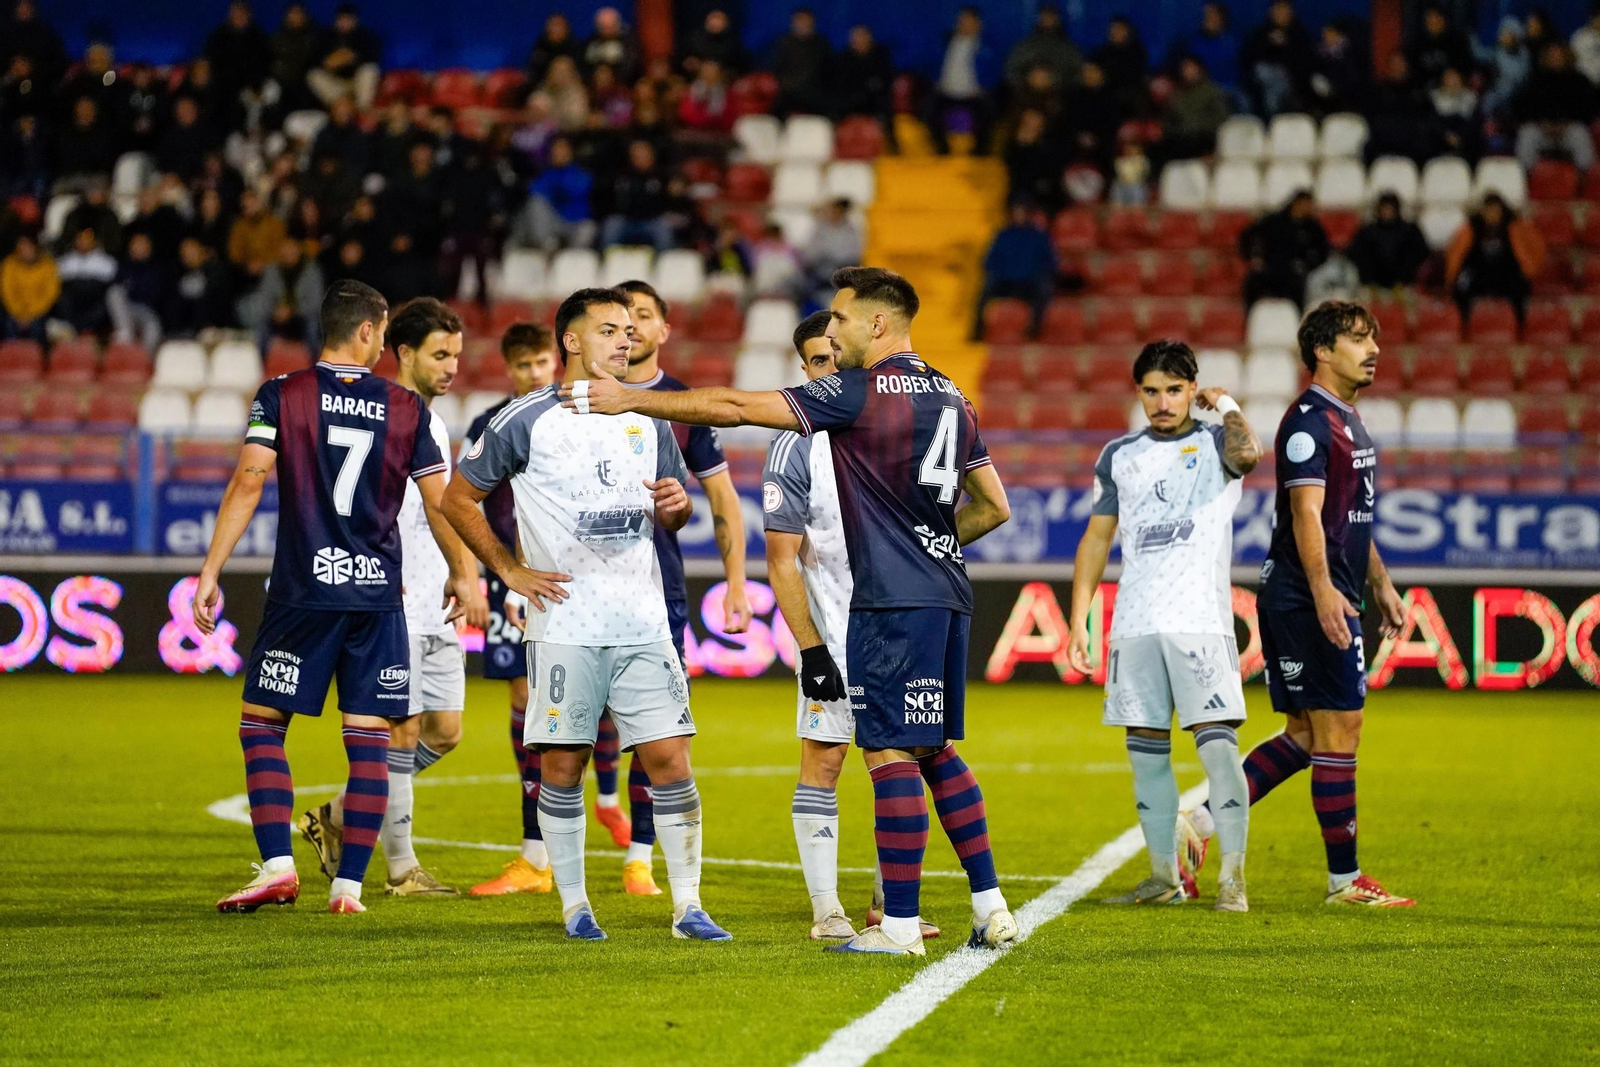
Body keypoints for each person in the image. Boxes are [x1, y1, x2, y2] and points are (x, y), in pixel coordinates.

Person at [561, 266, 1018, 956]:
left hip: (889, 599)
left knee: (891, 750)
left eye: (840, 318)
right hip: (948, 592)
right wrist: (929, 543)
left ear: (877, 324)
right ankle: (990, 905)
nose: (830, 330)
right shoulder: (952, 392)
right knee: (934, 747)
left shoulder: (858, 391)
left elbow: (737, 408)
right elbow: (995, 505)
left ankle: (896, 927)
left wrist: (632, 398)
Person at [443, 287, 731, 943]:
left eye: (629, 330)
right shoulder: (524, 419)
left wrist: (677, 507)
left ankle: (688, 905)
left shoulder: (647, 416)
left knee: (671, 759)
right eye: (608, 329)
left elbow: (672, 508)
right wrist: (507, 568)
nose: (624, 339)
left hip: (643, 622)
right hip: (564, 626)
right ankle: (576, 907)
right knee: (564, 766)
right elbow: (459, 498)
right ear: (570, 340)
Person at [203, 280, 480, 915]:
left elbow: (249, 480)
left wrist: (212, 568)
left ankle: (277, 865)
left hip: (304, 591)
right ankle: (349, 888)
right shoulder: (409, 412)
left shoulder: (282, 394)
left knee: (262, 724)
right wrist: (463, 573)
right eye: (383, 333)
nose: (384, 343)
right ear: (366, 331)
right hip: (378, 597)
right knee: (369, 739)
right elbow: (442, 504)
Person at [1217, 299, 1412, 907]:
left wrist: (1378, 580)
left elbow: (1350, 518)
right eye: (1358, 339)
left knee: (1304, 735)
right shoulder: (1309, 422)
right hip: (1308, 598)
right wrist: (1329, 592)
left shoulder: (1347, 419)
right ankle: (1344, 882)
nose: (1373, 349)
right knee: (1340, 731)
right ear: (1323, 351)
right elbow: (1305, 513)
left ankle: (1198, 825)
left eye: (1373, 338)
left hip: (1311, 595)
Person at [296, 298, 488, 898]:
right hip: (395, 597)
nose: (453, 366)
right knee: (400, 733)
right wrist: (467, 571)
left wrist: (458, 573)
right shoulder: (388, 413)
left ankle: (335, 814)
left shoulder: (426, 418)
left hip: (435, 599)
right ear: (401, 352)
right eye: (440, 354)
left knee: (446, 730)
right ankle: (402, 868)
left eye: (456, 354)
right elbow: (424, 508)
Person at [761, 311, 944, 943]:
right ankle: (825, 911)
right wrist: (811, 650)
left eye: (836, 357)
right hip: (835, 636)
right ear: (803, 371)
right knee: (826, 761)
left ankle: (890, 906)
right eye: (816, 361)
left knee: (903, 763)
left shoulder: (888, 428)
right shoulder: (794, 444)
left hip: (899, 630)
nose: (829, 370)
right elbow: (780, 559)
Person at [1068, 341, 1262, 911]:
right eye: (1151, 390)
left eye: (1174, 390)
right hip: (1135, 622)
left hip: (1199, 621)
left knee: (1220, 751)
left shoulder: (1215, 442)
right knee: (1145, 752)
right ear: (1139, 393)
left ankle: (1233, 877)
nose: (1162, 401)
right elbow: (1097, 538)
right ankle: (1162, 877)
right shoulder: (1119, 455)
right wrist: (1080, 618)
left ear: (1192, 389)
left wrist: (1225, 403)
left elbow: (1249, 457)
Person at [594, 278, 753, 894]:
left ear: (663, 330)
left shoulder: (684, 405)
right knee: (569, 727)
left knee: (654, 728)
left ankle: (638, 856)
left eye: (643, 317)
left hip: (654, 591)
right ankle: (544, 857)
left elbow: (721, 498)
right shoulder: (576, 399)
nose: (631, 328)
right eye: (620, 318)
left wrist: (736, 582)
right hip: (576, 589)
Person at [464, 324, 562, 897]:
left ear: (556, 360)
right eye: (522, 365)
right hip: (513, 582)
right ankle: (535, 852)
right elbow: (466, 499)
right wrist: (502, 573)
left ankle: (612, 835)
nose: (533, 373)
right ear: (509, 368)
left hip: (564, 578)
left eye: (540, 362)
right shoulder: (492, 424)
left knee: (577, 707)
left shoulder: (571, 416)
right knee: (525, 701)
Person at [1445, 193, 1544, 324]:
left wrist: (1529, 269)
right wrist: (1453, 275)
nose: (1492, 214)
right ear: (1483, 211)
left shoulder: (1516, 227)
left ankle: (1519, 324)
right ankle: (1464, 323)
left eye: (1495, 210)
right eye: (1488, 210)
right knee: (1462, 286)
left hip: (1507, 272)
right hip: (1479, 272)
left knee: (1520, 286)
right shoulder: (1470, 228)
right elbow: (1455, 253)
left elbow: (1536, 248)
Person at [973, 200, 1055, 339]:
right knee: (984, 292)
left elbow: (1049, 262)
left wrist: (1035, 273)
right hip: (1005, 282)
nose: (1019, 215)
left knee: (1043, 292)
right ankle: (977, 332)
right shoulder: (1003, 235)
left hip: (1029, 283)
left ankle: (1034, 332)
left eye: (1022, 212)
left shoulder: (1039, 236)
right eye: (1017, 212)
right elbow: (989, 261)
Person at [1513, 43, 1597, 173]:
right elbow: (1522, 108)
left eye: (1559, 56)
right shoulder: (1535, 80)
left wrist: (1566, 123)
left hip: (1569, 129)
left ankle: (1584, 182)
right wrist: (1542, 123)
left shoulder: (1579, 80)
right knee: (1527, 135)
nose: (1555, 59)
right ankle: (1528, 179)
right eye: (1552, 56)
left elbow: (1588, 109)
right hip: (1541, 129)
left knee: (1580, 136)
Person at [928, 6, 999, 153]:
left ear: (978, 24)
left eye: (969, 22)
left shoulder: (987, 46)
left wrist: (985, 87)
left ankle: (979, 154)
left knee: (988, 113)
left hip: (974, 95)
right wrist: (935, 81)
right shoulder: (946, 42)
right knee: (928, 111)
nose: (964, 25)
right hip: (946, 92)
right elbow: (931, 64)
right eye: (962, 21)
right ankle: (943, 150)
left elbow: (995, 71)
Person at [1241, 190, 1329, 307]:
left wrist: (1308, 265)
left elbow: (1323, 250)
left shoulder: (1312, 227)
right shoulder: (1274, 221)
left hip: (1294, 275)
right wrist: (1252, 257)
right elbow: (1248, 235)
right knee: (1252, 284)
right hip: (1269, 271)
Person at [522, 135, 596, 251]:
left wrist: (557, 185)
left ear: (570, 151)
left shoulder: (580, 173)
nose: (559, 152)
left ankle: (571, 260)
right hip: (553, 224)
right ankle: (548, 247)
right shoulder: (546, 173)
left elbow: (575, 190)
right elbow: (534, 191)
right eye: (556, 149)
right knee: (535, 203)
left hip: (575, 224)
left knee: (588, 228)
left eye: (563, 148)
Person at [1242, 0, 1314, 117]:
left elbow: (1306, 61)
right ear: (1272, 12)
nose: (1282, 14)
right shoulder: (1260, 33)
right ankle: (1272, 117)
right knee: (1266, 74)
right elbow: (1250, 59)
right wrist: (1269, 43)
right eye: (1279, 10)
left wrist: (1287, 45)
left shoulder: (1300, 34)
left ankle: (1274, 117)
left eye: (1286, 10)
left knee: (1278, 84)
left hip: (1294, 80)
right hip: (1264, 82)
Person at [599, 139, 674, 251]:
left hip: (652, 221)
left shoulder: (662, 176)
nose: (641, 160)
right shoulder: (621, 177)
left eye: (644, 156)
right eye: (637, 156)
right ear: (631, 158)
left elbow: (669, 200)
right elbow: (609, 199)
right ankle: (609, 263)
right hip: (625, 220)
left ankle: (664, 265)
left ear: (651, 157)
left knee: (664, 229)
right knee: (611, 226)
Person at [1347, 193, 1428, 292]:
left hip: (1403, 284)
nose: (1387, 212)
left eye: (1390, 208)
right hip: (1372, 285)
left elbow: (1421, 253)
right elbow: (1355, 253)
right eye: (1384, 208)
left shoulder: (1410, 230)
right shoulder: (1367, 231)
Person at [307, 3, 380, 109]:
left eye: (348, 19)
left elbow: (373, 58)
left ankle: (362, 108)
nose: (344, 23)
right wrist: (327, 63)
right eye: (341, 19)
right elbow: (314, 60)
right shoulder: (326, 36)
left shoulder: (365, 36)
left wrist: (352, 58)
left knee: (370, 69)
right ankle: (342, 105)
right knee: (313, 75)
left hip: (356, 82)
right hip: (337, 84)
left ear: (355, 20)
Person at [107, 231, 167, 351]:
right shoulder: (124, 266)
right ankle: (125, 332)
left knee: (153, 326)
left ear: (149, 246)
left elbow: (158, 295)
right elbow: (116, 287)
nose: (138, 247)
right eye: (135, 244)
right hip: (127, 308)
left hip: (148, 310)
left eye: (141, 243)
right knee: (114, 292)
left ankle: (144, 359)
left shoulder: (158, 267)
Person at [1005, 5, 1082, 96]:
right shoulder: (1025, 46)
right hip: (1028, 96)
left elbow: (1080, 74)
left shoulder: (1069, 48)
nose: (1048, 20)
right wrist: (1029, 80)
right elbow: (1010, 70)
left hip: (1061, 97)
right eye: (1045, 16)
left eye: (1051, 17)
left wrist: (1055, 80)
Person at [54, 227, 117, 336]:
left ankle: (87, 331)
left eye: (87, 239)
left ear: (95, 241)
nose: (83, 242)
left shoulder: (108, 263)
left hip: (95, 305)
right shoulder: (63, 263)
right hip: (73, 306)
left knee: (107, 302)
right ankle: (74, 330)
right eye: (80, 239)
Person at [771, 8, 832, 118]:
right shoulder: (782, 43)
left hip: (814, 93)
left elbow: (828, 73)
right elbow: (774, 69)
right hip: (787, 92)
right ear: (793, 23)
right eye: (800, 21)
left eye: (807, 21)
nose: (804, 24)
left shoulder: (821, 45)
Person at [1, 233, 56, 342]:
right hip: (14, 314)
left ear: (35, 247)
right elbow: (7, 293)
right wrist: (19, 314)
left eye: (27, 246)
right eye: (21, 247)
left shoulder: (47, 265)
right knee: (8, 325)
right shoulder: (9, 265)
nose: (24, 250)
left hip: (38, 314)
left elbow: (50, 294)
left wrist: (31, 315)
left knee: (38, 327)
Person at [1409, 4, 1475, 87]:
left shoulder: (1457, 41)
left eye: (1436, 19)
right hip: (1425, 89)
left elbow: (1465, 67)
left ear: (1443, 20)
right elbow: (1414, 70)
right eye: (1429, 20)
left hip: (1450, 89)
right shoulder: (1418, 43)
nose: (1433, 23)